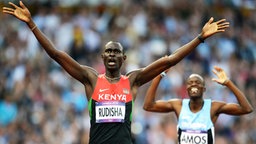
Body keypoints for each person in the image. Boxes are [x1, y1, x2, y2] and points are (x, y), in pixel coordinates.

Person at [3, 1, 230, 144]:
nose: (111, 54)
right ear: (103, 58)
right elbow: (55, 54)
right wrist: (32, 24)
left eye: (116, 52)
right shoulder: (91, 78)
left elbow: (169, 60)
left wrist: (199, 38)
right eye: (108, 51)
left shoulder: (133, 80)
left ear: (124, 59)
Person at [143, 66, 253, 144]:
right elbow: (148, 106)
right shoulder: (179, 105)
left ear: (204, 89)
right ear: (186, 89)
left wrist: (228, 83)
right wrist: (159, 76)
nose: (194, 84)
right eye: (190, 82)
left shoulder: (213, 107)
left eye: (197, 82)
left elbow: (246, 108)